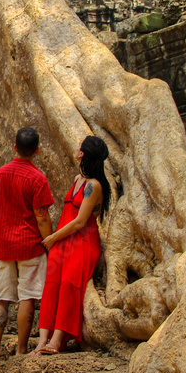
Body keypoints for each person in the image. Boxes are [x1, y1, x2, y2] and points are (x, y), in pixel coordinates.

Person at [32, 135, 110, 355]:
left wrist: (53, 237)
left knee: (69, 285)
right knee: (52, 284)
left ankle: (57, 341)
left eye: (79, 146)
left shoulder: (94, 186)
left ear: (83, 154)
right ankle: (41, 341)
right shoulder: (78, 180)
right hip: (63, 241)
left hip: (82, 242)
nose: (76, 148)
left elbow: (80, 221)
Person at [0, 127, 55, 361]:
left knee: (1, 297)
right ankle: (21, 349)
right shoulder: (37, 179)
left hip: (5, 246)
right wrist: (49, 242)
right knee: (28, 297)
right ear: (37, 151)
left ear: (15, 147)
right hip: (31, 246)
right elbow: (42, 217)